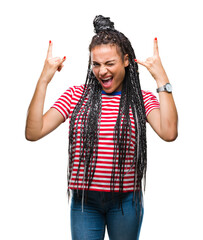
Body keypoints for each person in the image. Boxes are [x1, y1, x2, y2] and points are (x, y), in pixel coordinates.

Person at [25, 15, 178, 240]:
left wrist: (160, 77)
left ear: (126, 60)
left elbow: (169, 132)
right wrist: (44, 80)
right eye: (96, 64)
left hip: (126, 201)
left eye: (109, 63)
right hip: (85, 202)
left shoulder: (140, 99)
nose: (102, 71)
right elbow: (33, 132)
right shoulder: (76, 95)